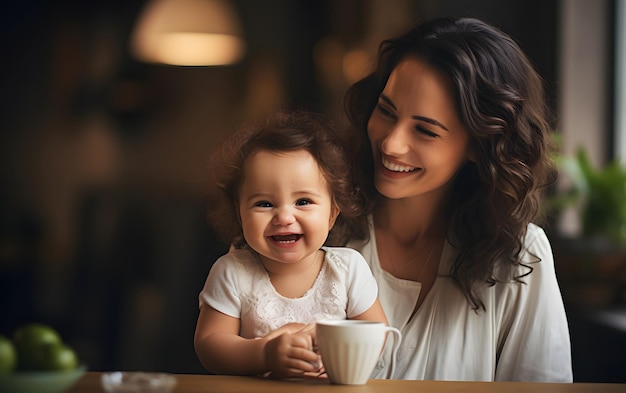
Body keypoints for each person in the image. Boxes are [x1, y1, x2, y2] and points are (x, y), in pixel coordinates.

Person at [341, 16, 573, 382]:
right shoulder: (314, 223)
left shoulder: (519, 256)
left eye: (425, 130)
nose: (391, 143)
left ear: (478, 146)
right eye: (386, 111)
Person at [194, 110, 388, 379]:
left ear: (332, 212)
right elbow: (210, 345)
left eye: (303, 202)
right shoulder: (231, 272)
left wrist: (337, 355)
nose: (284, 217)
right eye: (264, 204)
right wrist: (266, 353)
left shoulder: (348, 269)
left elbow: (377, 332)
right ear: (240, 214)